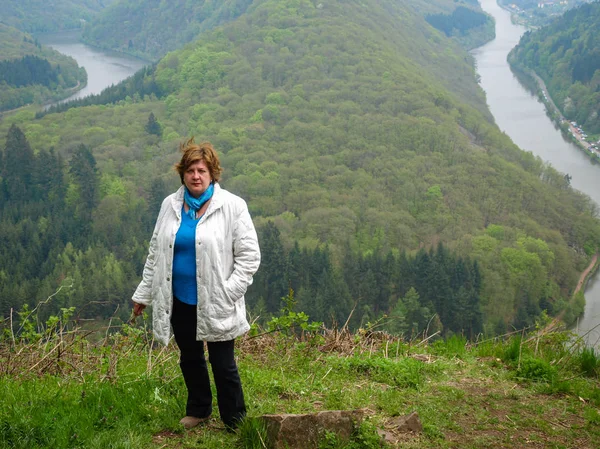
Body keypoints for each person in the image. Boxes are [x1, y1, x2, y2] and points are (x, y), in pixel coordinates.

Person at [132, 138, 261, 431]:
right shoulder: (170, 205)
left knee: (223, 364)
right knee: (190, 359)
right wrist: (144, 294)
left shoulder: (232, 206)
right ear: (183, 174)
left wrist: (229, 292)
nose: (196, 176)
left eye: (202, 170)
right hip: (179, 299)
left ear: (212, 173)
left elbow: (250, 257)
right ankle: (199, 410)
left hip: (217, 300)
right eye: (190, 171)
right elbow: (156, 252)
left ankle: (235, 420)